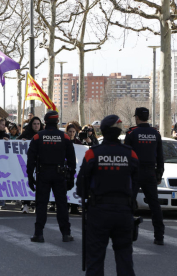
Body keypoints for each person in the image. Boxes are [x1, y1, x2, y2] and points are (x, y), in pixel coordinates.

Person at [77, 115, 139, 275]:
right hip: (124, 212)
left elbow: (80, 186)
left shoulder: (92, 154)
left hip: (98, 212)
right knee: (125, 259)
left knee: (95, 260)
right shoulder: (130, 154)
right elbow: (137, 181)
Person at [27, 111, 76, 243]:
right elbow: (72, 159)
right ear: (57, 121)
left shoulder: (38, 137)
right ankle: (66, 234)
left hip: (43, 174)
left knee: (41, 204)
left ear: (45, 122)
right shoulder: (64, 137)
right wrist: (71, 176)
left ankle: (39, 234)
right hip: (60, 174)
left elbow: (30, 159)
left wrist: (30, 177)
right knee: (62, 205)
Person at [124, 107, 165, 245]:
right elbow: (160, 156)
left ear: (137, 117)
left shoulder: (131, 133)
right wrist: (159, 173)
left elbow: (126, 156)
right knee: (154, 205)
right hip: (150, 172)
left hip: (134, 172)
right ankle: (159, 236)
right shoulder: (155, 133)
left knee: (129, 203)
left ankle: (127, 233)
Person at [17, 116, 44, 213]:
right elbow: (14, 143)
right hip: (27, 163)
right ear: (31, 125)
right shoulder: (26, 134)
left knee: (40, 185)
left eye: (38, 124)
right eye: (34, 124)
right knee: (27, 182)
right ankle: (25, 204)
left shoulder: (43, 135)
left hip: (41, 164)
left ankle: (37, 205)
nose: (36, 126)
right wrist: (21, 142)